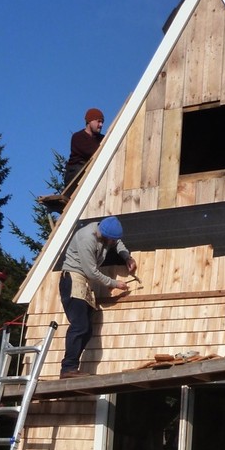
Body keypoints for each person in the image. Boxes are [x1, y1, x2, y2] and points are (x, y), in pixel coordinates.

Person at [58, 216, 137, 378]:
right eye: (112, 240)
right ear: (104, 234)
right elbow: (91, 271)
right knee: (79, 325)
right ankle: (68, 368)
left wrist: (126, 257)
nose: (113, 243)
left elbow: (118, 243)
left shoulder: (107, 235)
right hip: (73, 279)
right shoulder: (87, 238)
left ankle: (71, 367)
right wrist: (114, 283)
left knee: (87, 330)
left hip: (84, 282)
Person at [63, 108, 105, 189]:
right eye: (98, 121)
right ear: (89, 121)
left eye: (102, 122)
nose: (101, 125)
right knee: (82, 168)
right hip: (76, 174)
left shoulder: (102, 139)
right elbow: (93, 152)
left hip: (91, 171)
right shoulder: (78, 137)